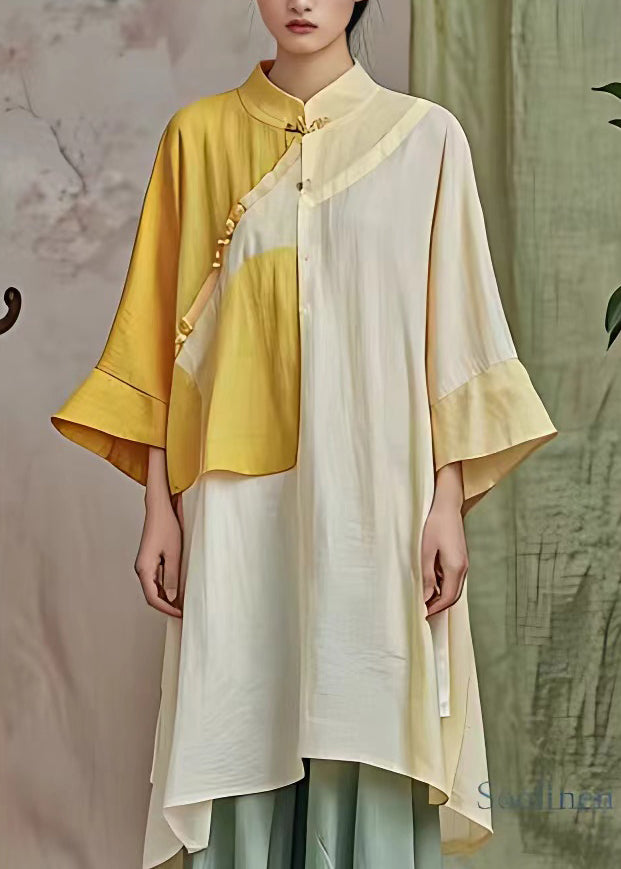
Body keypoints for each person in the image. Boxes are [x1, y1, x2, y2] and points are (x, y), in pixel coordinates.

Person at [50, 1, 559, 866]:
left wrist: (445, 502)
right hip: (238, 511)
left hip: (379, 506)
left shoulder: (425, 140)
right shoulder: (197, 139)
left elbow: (457, 337)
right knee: (239, 714)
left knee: (370, 711)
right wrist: (158, 506)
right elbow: (158, 341)